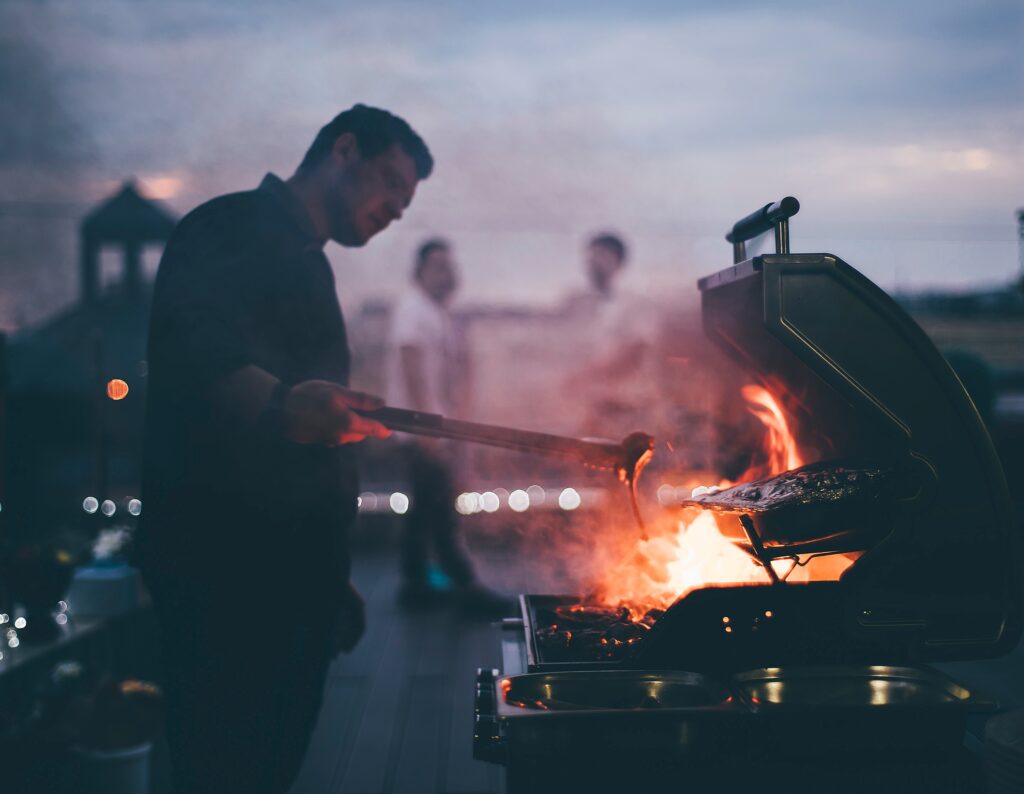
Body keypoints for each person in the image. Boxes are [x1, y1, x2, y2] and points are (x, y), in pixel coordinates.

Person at [134, 104, 432, 794]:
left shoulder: (314, 268)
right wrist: (283, 404)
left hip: (293, 571)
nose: (396, 210)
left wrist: (328, 571)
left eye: (407, 202)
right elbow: (200, 357)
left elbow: (308, 443)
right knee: (225, 769)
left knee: (269, 768)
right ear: (344, 150)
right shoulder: (223, 227)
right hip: (225, 569)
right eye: (391, 183)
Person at [385, 238, 510, 615]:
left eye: (449, 266)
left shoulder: (437, 313)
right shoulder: (413, 311)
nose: (447, 273)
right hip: (420, 428)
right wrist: (428, 429)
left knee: (426, 504)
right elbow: (412, 369)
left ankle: (416, 582)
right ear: (419, 272)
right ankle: (463, 583)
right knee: (439, 504)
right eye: (437, 266)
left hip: (430, 427)